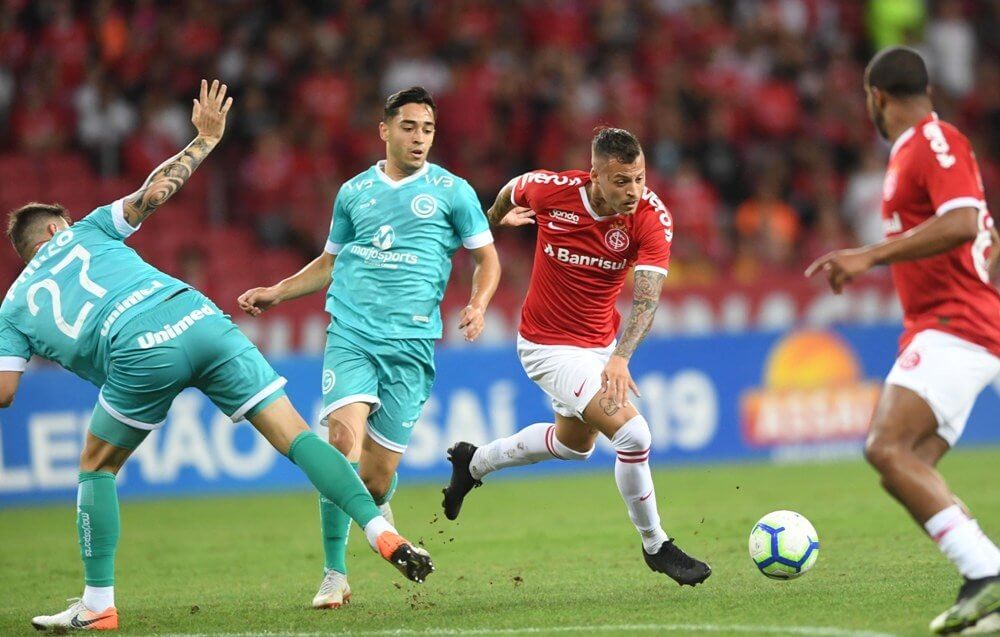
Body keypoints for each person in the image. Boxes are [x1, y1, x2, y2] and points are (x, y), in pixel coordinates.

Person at [1, 80, 433, 633]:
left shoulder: (12, 306)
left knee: (96, 468)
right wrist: (203, 140)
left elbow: (6, 391)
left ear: (27, 252)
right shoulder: (86, 230)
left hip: (137, 350)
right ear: (58, 229)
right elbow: (153, 194)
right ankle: (379, 531)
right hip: (197, 316)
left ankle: (98, 602)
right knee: (300, 440)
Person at [237, 86, 500, 609]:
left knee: (375, 479)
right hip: (352, 334)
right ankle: (335, 574)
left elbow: (487, 260)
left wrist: (478, 303)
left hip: (411, 347)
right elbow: (329, 263)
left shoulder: (453, 191)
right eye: (408, 127)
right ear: (385, 131)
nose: (419, 137)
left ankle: (381, 507)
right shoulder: (353, 192)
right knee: (340, 444)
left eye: (427, 129)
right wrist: (276, 291)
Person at [441, 127, 711, 586]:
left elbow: (646, 300)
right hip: (546, 346)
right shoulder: (551, 191)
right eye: (621, 181)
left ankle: (474, 462)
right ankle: (656, 544)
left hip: (599, 347)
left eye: (639, 179)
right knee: (633, 436)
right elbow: (511, 189)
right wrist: (494, 220)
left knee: (573, 446)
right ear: (594, 177)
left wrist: (620, 357)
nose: (633, 191)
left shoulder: (650, 217)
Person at [806, 47, 1000, 635]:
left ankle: (988, 574)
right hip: (949, 324)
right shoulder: (907, 152)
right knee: (909, 466)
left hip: (956, 324)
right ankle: (985, 589)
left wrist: (869, 254)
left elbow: (965, 220)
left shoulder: (932, 141)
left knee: (885, 447)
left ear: (878, 97)